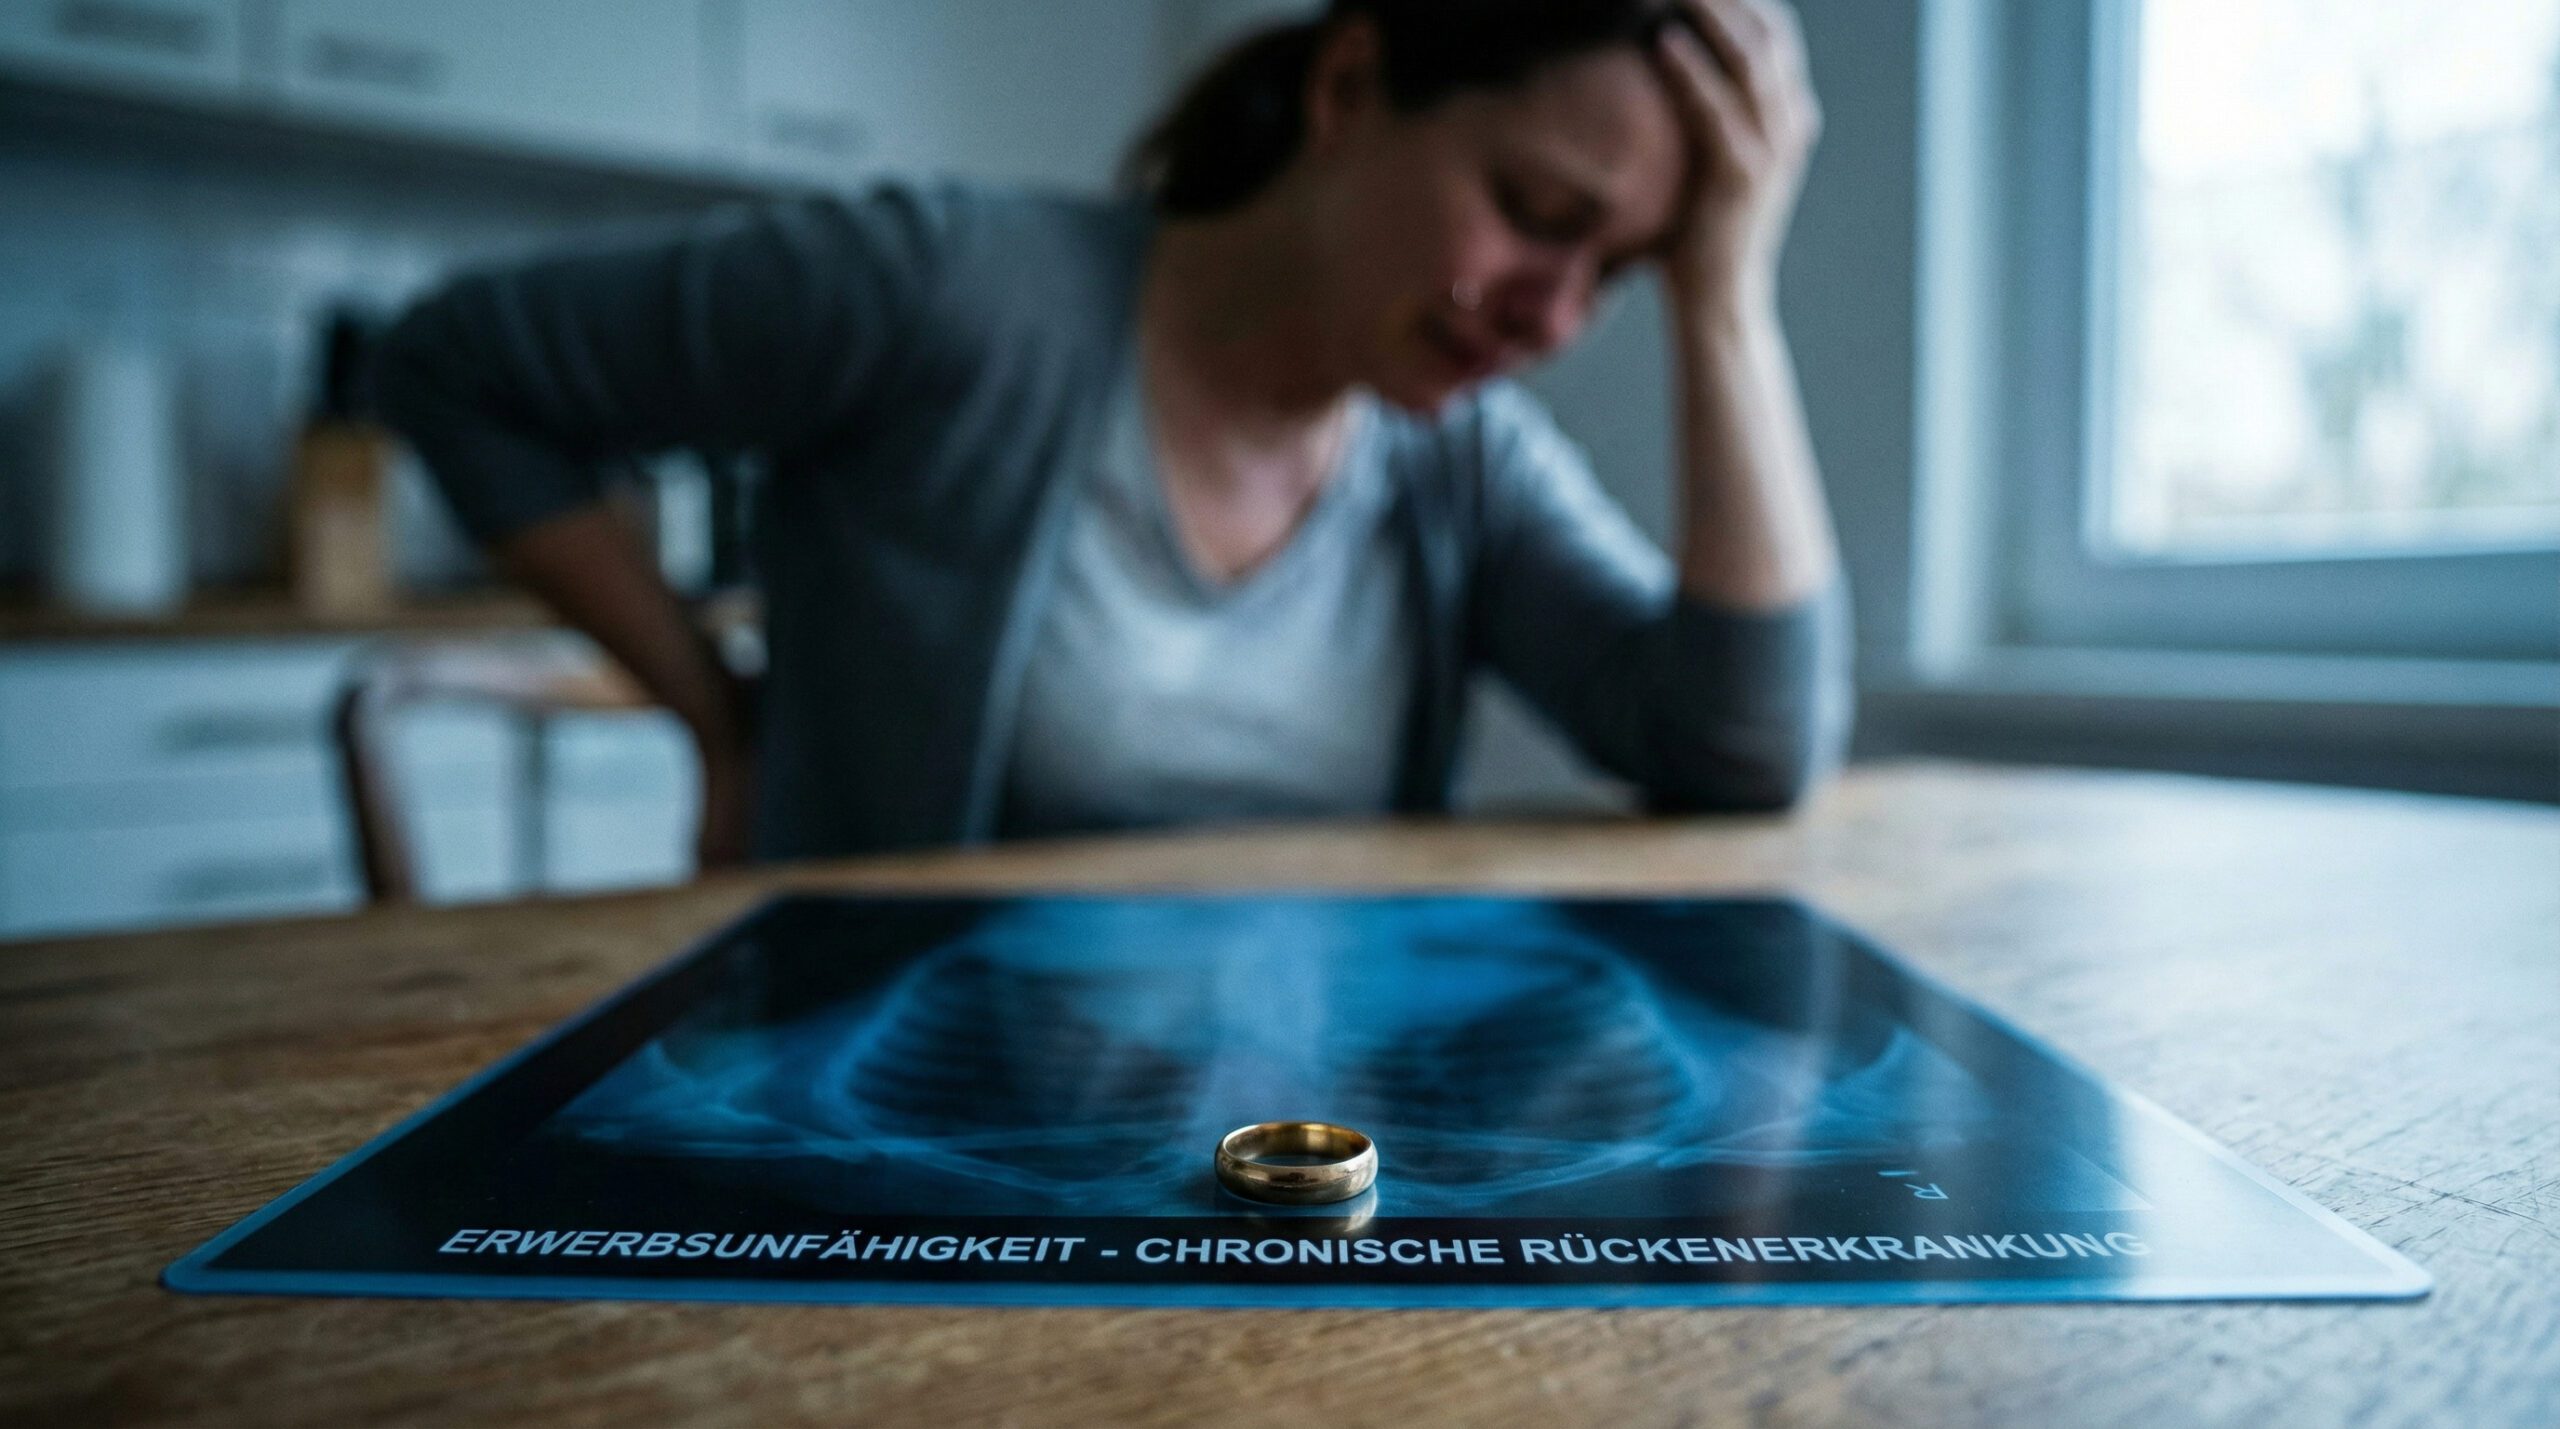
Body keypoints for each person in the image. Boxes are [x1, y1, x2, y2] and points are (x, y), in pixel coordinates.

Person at [372, 0, 1849, 869]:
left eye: (1623, 273)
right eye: (1541, 218)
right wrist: (718, 708)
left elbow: (1740, 744)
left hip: (1285, 1181)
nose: (1555, 317)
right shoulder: (948, 289)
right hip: (917, 1160)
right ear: (1349, 90)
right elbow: (457, 365)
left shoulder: (1464, 459)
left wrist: (1728, 303)